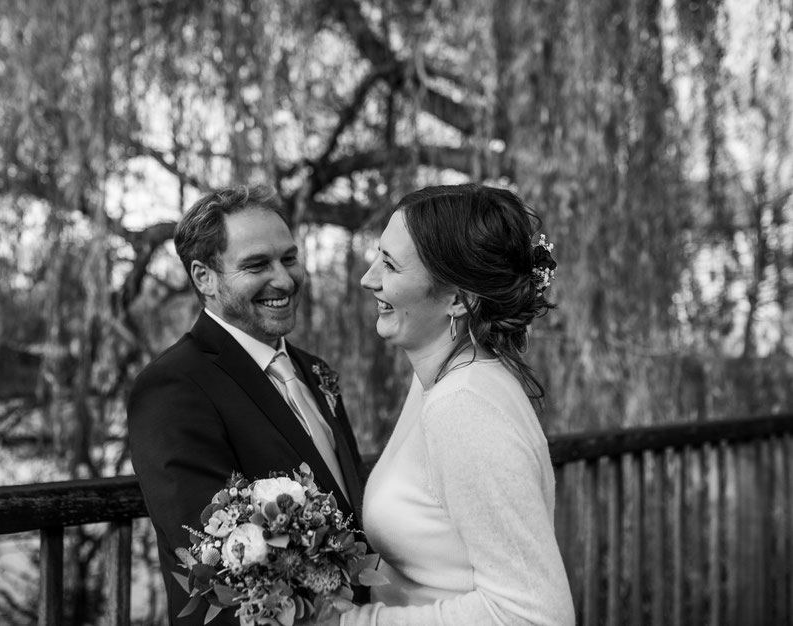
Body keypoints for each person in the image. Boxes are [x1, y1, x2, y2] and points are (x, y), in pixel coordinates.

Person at [331, 183, 575, 625]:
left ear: (458, 299)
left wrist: (353, 623)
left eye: (389, 264)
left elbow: (533, 616)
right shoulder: (437, 379)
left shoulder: (464, 406)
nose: (368, 278)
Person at [127, 185, 366, 626]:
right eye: (257, 264)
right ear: (204, 277)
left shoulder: (314, 371)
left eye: (289, 258)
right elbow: (211, 562)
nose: (284, 279)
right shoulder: (172, 388)